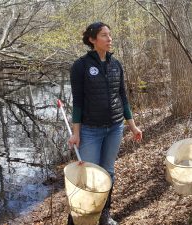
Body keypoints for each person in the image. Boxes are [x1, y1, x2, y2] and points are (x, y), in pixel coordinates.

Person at [67, 22, 142, 225]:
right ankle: (77, 219)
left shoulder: (116, 65)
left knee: (108, 173)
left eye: (110, 35)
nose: (109, 39)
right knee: (87, 177)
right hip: (90, 131)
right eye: (104, 35)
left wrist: (132, 126)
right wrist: (76, 133)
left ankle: (103, 216)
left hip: (115, 129)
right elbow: (78, 102)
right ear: (92, 40)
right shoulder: (80, 66)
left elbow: (123, 98)